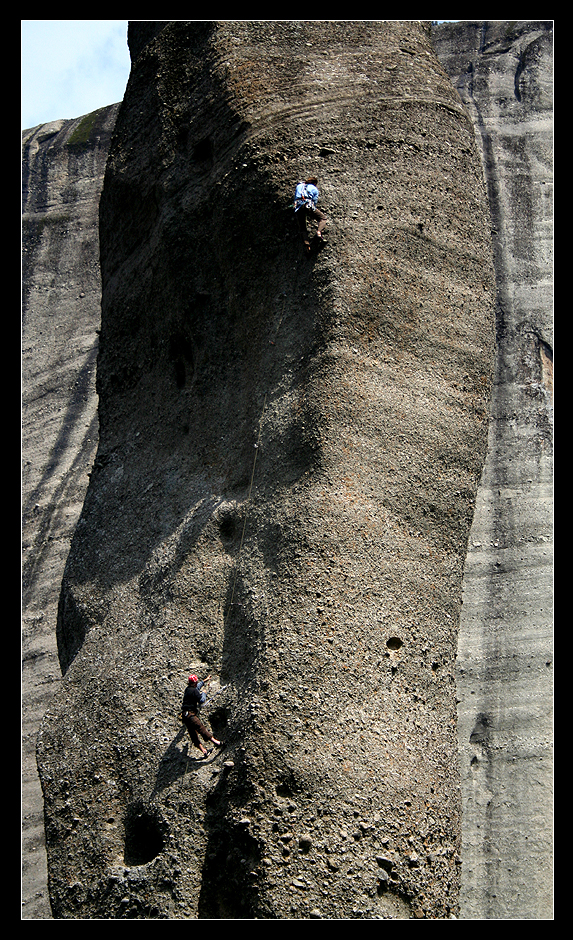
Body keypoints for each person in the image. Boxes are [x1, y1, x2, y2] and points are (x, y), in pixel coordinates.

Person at [181, 674, 222, 758]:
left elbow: (197, 687)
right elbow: (201, 700)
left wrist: (204, 680)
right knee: (201, 728)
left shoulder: (188, 689)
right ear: (194, 682)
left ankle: (204, 751)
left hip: (185, 716)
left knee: (193, 734)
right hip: (191, 715)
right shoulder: (194, 691)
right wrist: (204, 693)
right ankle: (217, 743)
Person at [293, 176, 328, 252]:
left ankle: (307, 246)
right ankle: (319, 232)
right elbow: (314, 201)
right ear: (314, 183)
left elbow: (295, 197)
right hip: (308, 205)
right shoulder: (314, 188)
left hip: (298, 206)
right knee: (322, 218)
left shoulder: (299, 186)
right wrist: (312, 211)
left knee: (303, 228)